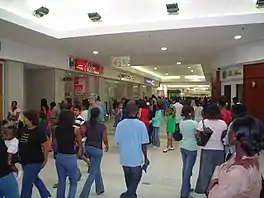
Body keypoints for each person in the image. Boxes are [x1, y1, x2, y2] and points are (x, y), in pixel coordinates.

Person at [207, 116, 263, 197]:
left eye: (230, 130)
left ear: (234, 136)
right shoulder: (244, 155)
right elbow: (221, 168)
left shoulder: (239, 172)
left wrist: (215, 180)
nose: (227, 133)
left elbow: (213, 195)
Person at [115, 101, 150, 198]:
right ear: (137, 111)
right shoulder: (141, 125)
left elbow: (117, 141)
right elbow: (144, 144)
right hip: (136, 157)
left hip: (124, 157)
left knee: (128, 177)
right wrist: (146, 157)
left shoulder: (120, 125)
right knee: (136, 177)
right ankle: (128, 194)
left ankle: (131, 194)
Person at [195, 104, 227, 195]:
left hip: (206, 149)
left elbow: (197, 134)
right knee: (217, 172)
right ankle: (215, 190)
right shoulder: (223, 123)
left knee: (205, 171)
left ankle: (204, 189)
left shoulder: (203, 122)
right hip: (219, 150)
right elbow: (224, 136)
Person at [19, 110, 50, 198]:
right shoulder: (24, 129)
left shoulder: (38, 132)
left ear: (31, 120)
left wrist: (45, 159)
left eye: (25, 118)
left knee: (26, 184)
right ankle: (45, 193)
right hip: (24, 160)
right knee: (34, 178)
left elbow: (46, 146)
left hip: (34, 161)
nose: (23, 119)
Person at [80, 107, 109, 198]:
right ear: (98, 115)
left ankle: (100, 187)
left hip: (88, 147)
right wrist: (107, 145)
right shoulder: (102, 126)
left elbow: (82, 133)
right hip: (97, 149)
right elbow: (104, 138)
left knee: (96, 167)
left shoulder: (86, 124)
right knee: (93, 171)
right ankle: (84, 194)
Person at [55, 109, 82, 198]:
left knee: (61, 181)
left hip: (59, 156)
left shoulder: (56, 129)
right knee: (73, 182)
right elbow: (79, 143)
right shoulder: (75, 130)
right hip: (70, 157)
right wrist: (79, 150)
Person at [179, 106, 198, 198]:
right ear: (190, 113)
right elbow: (197, 135)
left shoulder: (181, 123)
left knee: (185, 168)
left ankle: (187, 187)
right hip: (192, 148)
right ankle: (184, 193)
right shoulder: (194, 123)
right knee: (188, 170)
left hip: (183, 147)